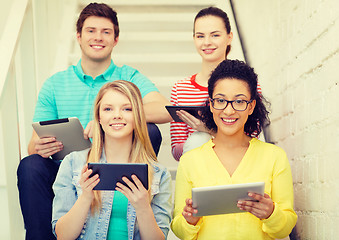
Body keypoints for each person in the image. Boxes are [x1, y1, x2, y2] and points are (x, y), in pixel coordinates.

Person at [17, 3, 171, 240]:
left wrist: (110, 119)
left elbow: (164, 110)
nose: (98, 37)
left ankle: (138, 179)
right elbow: (32, 145)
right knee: (30, 164)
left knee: (151, 131)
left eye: (106, 31)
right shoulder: (55, 84)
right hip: (69, 168)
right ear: (78, 36)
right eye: (90, 30)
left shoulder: (128, 77)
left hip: (120, 158)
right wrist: (43, 146)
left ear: (116, 39)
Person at [171, 59, 297, 239]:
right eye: (221, 100)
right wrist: (189, 220)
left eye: (239, 101)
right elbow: (178, 228)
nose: (229, 111)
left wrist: (271, 213)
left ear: (251, 106)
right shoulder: (189, 161)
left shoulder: (274, 157)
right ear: (211, 104)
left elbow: (285, 227)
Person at [52, 80, 172, 239]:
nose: (117, 115)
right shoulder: (73, 163)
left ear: (137, 116)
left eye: (127, 109)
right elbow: (63, 236)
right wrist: (86, 196)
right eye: (108, 109)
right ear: (99, 117)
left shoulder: (159, 174)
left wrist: (143, 207)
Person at [170, 7, 262, 161]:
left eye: (215, 35)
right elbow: (177, 150)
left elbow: (253, 137)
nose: (207, 42)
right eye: (200, 36)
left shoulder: (247, 82)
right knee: (198, 140)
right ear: (194, 39)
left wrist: (209, 130)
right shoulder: (181, 88)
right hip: (199, 165)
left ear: (229, 37)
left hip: (239, 162)